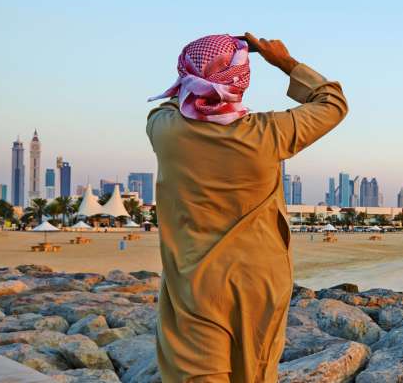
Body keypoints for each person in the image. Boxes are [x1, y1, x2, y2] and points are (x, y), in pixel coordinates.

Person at [147, 33, 347, 382]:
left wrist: (206, 65)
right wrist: (283, 60)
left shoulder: (163, 129)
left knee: (195, 373)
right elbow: (332, 102)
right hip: (260, 280)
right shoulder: (268, 134)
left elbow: (174, 100)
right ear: (242, 81)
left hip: (195, 280)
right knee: (254, 371)